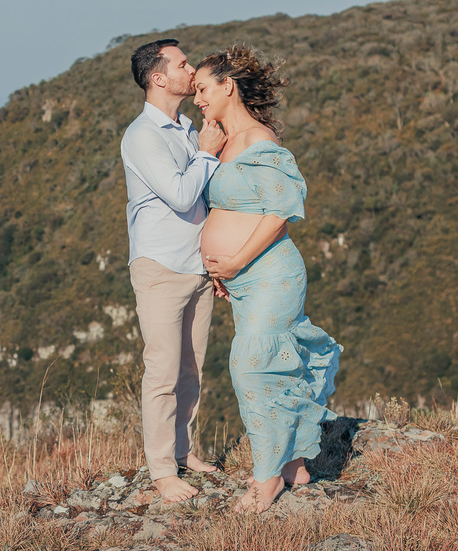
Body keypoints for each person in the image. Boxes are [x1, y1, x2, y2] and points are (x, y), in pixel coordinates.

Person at [193, 44, 342, 514]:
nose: (196, 99)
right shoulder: (224, 142)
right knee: (274, 365)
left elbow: (281, 212)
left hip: (269, 273)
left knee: (252, 368)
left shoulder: (261, 142)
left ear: (226, 86)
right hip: (241, 280)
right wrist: (226, 269)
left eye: (201, 89)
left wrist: (235, 261)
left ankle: (266, 480)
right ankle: (295, 461)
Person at [121, 39, 227, 503]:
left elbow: (205, 201)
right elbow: (183, 195)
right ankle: (163, 471)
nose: (191, 70)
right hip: (160, 266)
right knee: (161, 371)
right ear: (158, 78)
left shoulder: (185, 127)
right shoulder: (142, 135)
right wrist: (207, 150)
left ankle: (184, 452)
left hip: (197, 266)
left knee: (192, 368)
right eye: (182, 64)